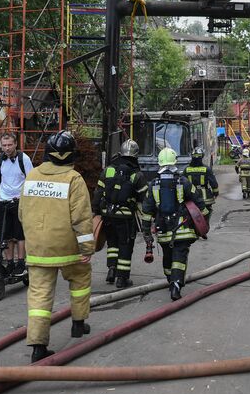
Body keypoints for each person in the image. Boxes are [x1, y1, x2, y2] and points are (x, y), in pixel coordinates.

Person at [18, 130, 95, 363]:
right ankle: (78, 324)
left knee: (39, 297)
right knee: (80, 280)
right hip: (67, 247)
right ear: (71, 155)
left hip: (38, 249)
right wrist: (87, 249)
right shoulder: (73, 179)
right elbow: (81, 219)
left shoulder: (31, 176)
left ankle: (38, 347)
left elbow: (22, 213)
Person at [142, 147, 209, 301]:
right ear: (174, 163)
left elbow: (146, 211)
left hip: (163, 230)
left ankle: (170, 280)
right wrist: (204, 223)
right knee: (180, 256)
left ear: (159, 163)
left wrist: (147, 233)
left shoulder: (153, 185)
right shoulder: (183, 181)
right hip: (182, 229)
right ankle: (176, 284)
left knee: (167, 256)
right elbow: (199, 202)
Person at [92, 139, 148, 289]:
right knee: (125, 245)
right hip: (125, 217)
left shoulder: (108, 170)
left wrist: (96, 211)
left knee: (112, 243)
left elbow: (98, 192)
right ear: (136, 155)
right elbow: (145, 199)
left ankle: (111, 269)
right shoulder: (137, 175)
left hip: (108, 214)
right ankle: (122, 279)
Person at [0, 132, 33, 277]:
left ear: (15, 144)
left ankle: (21, 263)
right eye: (4, 145)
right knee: (5, 235)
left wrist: (26, 197)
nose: (7, 148)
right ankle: (10, 263)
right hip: (4, 201)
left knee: (19, 234)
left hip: (19, 201)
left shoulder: (24, 159)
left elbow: (31, 179)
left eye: (10, 145)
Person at [183, 147, 219, 223]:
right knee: (206, 213)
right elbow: (213, 183)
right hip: (205, 198)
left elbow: (183, 183)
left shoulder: (186, 170)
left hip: (191, 197)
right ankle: (204, 226)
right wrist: (216, 193)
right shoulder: (207, 169)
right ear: (202, 156)